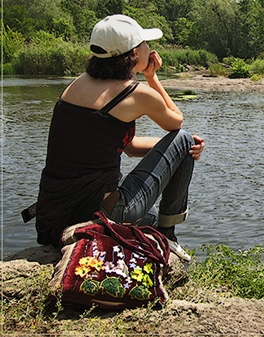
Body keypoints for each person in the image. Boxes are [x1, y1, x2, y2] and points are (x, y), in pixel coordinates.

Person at [35, 15, 204, 260]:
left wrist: (172, 152)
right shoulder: (136, 94)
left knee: (152, 216)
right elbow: (176, 122)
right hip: (103, 214)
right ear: (135, 52)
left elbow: (130, 147)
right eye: (145, 43)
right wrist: (152, 77)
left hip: (54, 217)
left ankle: (158, 230)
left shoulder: (75, 85)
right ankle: (168, 236)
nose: (150, 48)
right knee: (185, 139)